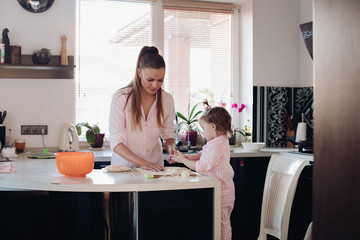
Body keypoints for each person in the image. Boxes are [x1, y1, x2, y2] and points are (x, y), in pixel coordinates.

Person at [171, 102, 235, 240]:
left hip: (222, 194)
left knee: (222, 226)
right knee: (217, 224)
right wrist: (186, 157)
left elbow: (201, 166)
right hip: (219, 191)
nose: (202, 132)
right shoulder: (216, 142)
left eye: (203, 128)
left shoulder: (217, 146)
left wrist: (183, 161)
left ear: (213, 127)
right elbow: (202, 155)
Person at [109, 46, 176, 171]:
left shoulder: (167, 100)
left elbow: (167, 133)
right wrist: (143, 163)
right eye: (150, 79)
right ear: (139, 72)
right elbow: (115, 141)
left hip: (154, 169)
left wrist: (171, 146)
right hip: (123, 170)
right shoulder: (122, 98)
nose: (155, 85)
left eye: (160, 80)